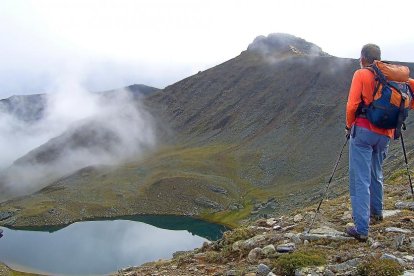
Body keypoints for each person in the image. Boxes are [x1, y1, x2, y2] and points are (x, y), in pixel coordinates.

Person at [345, 44, 414, 241]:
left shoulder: (362, 74)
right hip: (386, 133)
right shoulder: (394, 77)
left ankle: (361, 228)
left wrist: (349, 126)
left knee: (360, 178)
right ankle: (377, 212)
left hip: (364, 131)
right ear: (379, 58)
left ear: (362, 57)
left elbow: (352, 105)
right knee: (376, 173)